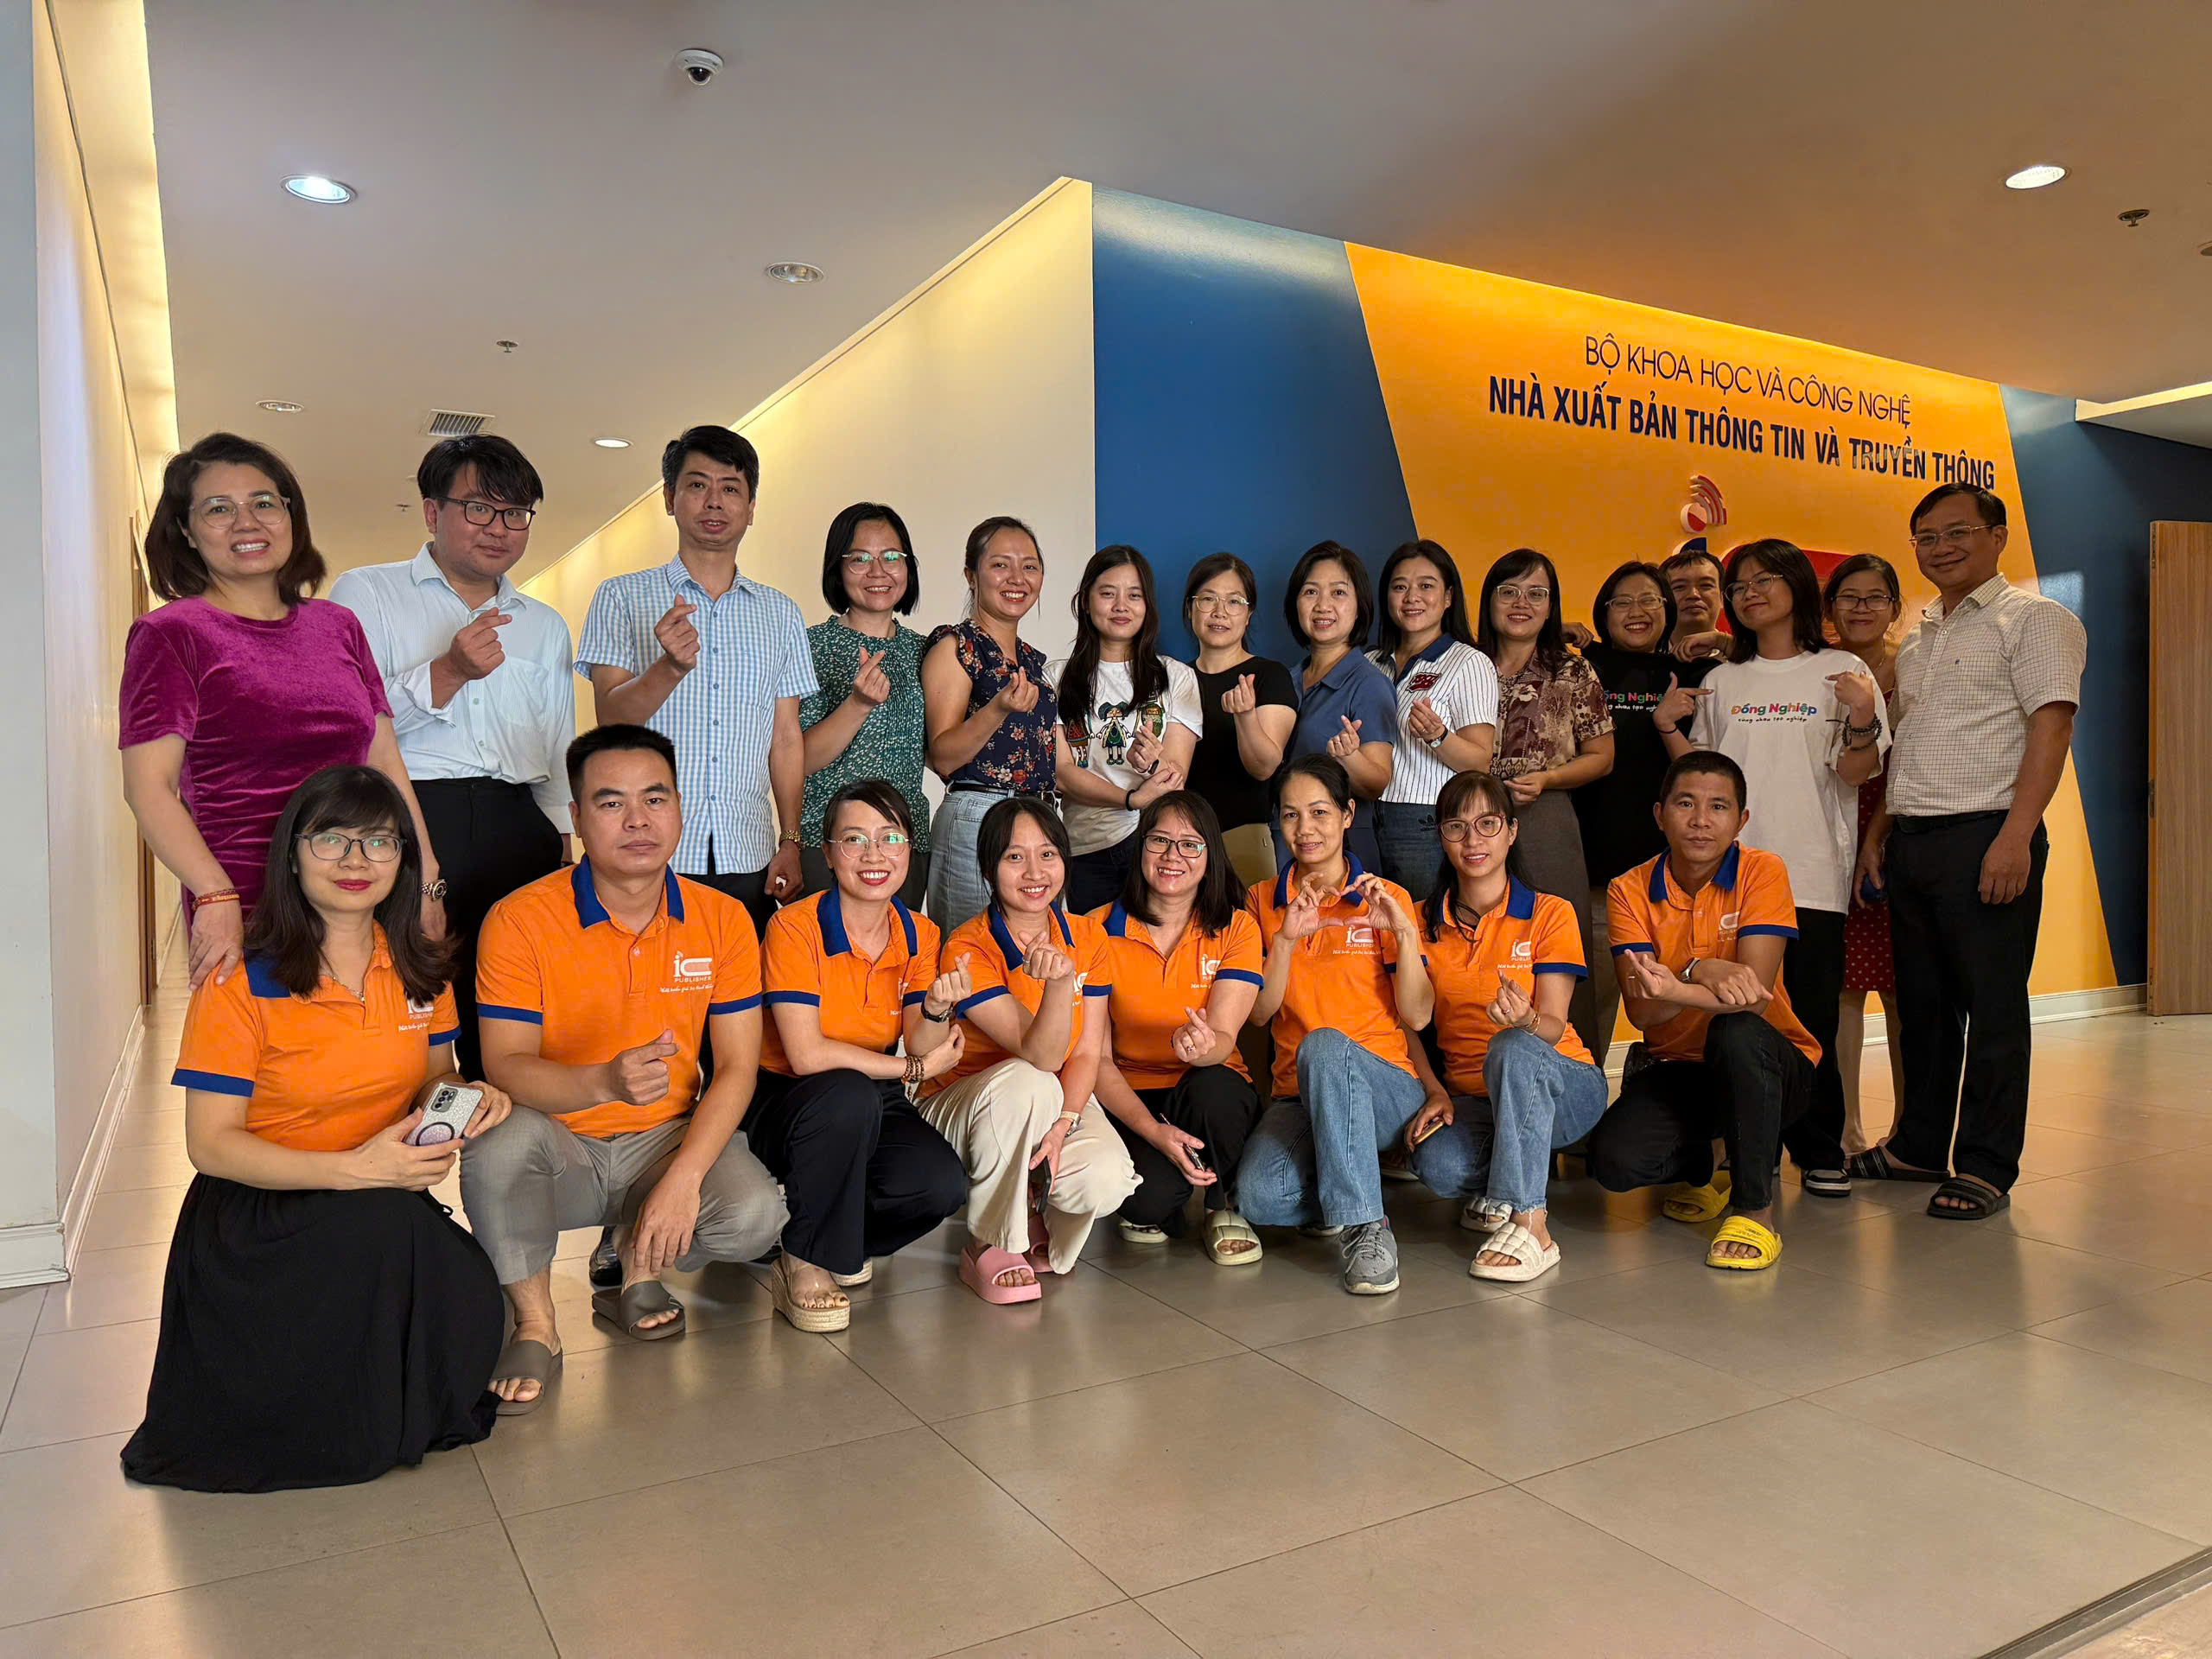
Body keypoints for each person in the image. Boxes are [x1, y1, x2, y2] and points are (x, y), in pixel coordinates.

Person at [123, 766, 506, 1491]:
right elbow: (209, 1145)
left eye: (379, 842)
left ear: (403, 859)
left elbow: (436, 1078)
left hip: (376, 1196)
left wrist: (470, 1096)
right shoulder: (240, 979)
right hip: (262, 1210)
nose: (356, 860)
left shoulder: (421, 968)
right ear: (292, 855)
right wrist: (354, 1170)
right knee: (390, 1239)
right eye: (331, 839)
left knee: (472, 1295)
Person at [464, 726, 798, 1411]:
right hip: (559, 1143)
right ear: (577, 817)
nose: (638, 820)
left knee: (754, 1216)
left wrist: (684, 1179)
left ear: (680, 809)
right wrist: (602, 1083)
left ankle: (636, 1270)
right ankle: (535, 1324)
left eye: (656, 798)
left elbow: (738, 1066)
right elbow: (504, 1065)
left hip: (662, 1138)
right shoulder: (520, 919)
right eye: (611, 803)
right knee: (494, 1145)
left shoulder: (723, 918)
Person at [120, 433, 445, 989]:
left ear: (291, 515)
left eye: (264, 502)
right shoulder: (170, 634)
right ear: (186, 532)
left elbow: (385, 763)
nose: (246, 522)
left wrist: (426, 880)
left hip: (364, 894)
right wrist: (213, 894)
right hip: (248, 902)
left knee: (377, 1040)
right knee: (266, 1044)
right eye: (218, 509)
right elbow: (149, 787)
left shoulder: (337, 626)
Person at [1852, 484, 2085, 1220]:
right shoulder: (1922, 636)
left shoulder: (2037, 620)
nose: (1940, 547)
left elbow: (2052, 727)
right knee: (1923, 1009)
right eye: (1925, 536)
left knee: (1992, 1008)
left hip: (1988, 835)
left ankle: (1986, 1163)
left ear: (1997, 535)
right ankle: (1919, 1145)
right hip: (1913, 840)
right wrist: (1879, 834)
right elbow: (1911, 744)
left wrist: (2016, 835)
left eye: (1957, 532)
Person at [329, 435, 573, 1080]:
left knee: (515, 1005)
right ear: (432, 512)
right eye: (479, 508)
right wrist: (448, 672)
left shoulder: (544, 624)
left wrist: (562, 841)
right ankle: (411, 1138)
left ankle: (506, 1133)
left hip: (517, 823)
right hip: (405, 816)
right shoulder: (367, 595)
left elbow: (555, 743)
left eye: (515, 513)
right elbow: (348, 727)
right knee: (406, 1001)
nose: (499, 528)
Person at [1659, 539, 1884, 1197]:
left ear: (1797, 587)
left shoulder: (1843, 671)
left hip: (1809, 870)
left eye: (1764, 580)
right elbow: (1702, 777)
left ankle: (1819, 1148)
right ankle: (1744, 1148)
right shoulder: (1726, 680)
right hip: (1728, 878)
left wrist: (1862, 716)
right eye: (1739, 586)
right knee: (1734, 1016)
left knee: (1810, 1018)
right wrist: (1669, 729)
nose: (1749, 594)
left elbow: (1857, 772)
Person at [1585, 752, 1822, 1272]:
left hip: (1772, 1068)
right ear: (1659, 814)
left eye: (1718, 807)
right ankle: (1717, 1152)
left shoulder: (1762, 871)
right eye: (1685, 804)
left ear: (1741, 820)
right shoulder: (1628, 890)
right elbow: (1643, 1013)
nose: (1700, 820)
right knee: (1613, 1164)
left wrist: (1679, 978)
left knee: (1736, 1031)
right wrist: (1701, 973)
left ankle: (1754, 1212)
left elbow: (1753, 997)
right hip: (1679, 1068)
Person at [575, 425, 815, 935]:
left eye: (731, 488)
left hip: (747, 850)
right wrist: (668, 668)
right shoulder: (621, 597)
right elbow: (610, 721)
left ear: (751, 507)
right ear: (670, 498)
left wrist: (790, 840)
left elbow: (786, 738)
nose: (714, 501)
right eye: (697, 485)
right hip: (647, 850)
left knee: (740, 983)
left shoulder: (781, 613)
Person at [755, 781, 971, 1326]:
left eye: (891, 838)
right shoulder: (794, 926)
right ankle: (805, 1259)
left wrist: (936, 1011)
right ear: (828, 854)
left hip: (868, 1091)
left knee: (940, 1185)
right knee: (848, 1094)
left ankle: (830, 1238)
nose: (875, 855)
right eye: (854, 840)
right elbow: (806, 1056)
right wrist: (914, 1069)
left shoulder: (920, 933)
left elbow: (921, 1039)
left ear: (909, 850)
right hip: (785, 1097)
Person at [922, 798, 1140, 1302]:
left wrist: (1063, 1125)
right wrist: (1061, 984)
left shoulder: (1088, 936)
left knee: (1106, 1177)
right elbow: (1041, 1055)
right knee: (1029, 1079)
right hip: (966, 1109)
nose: (1035, 873)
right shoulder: (967, 947)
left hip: (1053, 1099)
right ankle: (989, 1240)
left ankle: (1033, 1210)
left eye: (1047, 854)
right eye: (1014, 857)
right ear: (988, 868)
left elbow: (1086, 1055)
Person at [1236, 757, 1434, 1295]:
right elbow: (1258, 1014)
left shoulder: (1384, 897)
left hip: (1386, 1087)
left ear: (1348, 815)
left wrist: (1405, 934)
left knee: (1325, 1045)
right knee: (1259, 1197)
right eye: (1291, 815)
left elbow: (1418, 1016)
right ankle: (1352, 1172)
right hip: (1297, 1095)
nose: (1305, 829)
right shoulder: (1261, 902)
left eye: (1320, 812)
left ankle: (1367, 1226)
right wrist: (1284, 940)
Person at [1402, 772, 1606, 1282]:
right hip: (1475, 1098)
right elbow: (1405, 1024)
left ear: (1512, 832)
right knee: (1438, 1166)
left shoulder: (1549, 913)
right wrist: (1435, 1091)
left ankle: (1531, 1223)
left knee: (1512, 1046)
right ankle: (1504, 1186)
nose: (1473, 840)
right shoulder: (1419, 920)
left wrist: (1526, 1021)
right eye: (1457, 826)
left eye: (1488, 824)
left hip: (1564, 1084)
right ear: (1441, 837)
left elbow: (1554, 1025)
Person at [1089, 791, 1266, 1263]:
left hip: (1207, 1085)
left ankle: (1220, 1205)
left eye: (1190, 844)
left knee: (1216, 1092)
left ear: (1210, 857)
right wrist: (1152, 1132)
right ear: (1140, 847)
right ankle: (1168, 1189)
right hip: (1129, 1093)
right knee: (1147, 1203)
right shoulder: (1095, 929)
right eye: (1160, 841)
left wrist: (1203, 1047)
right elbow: (1096, 1060)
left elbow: (1224, 1038)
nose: (1173, 856)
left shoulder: (1237, 928)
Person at [1571, 560, 1717, 1065]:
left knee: (1677, 999)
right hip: (1596, 870)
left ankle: (1669, 1097)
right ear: (1603, 613)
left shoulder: (1693, 673)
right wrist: (1552, 631)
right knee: (1591, 1002)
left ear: (1668, 610)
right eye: (1623, 602)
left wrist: (1722, 641)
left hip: (1671, 878)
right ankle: (1585, 1099)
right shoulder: (1582, 667)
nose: (1637, 611)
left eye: (1650, 600)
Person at [1479, 548, 1614, 1061]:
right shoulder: (1465, 664)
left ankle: (1576, 1070)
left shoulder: (1572, 671)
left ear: (1552, 606)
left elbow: (1602, 756)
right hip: (1473, 819)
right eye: (1509, 591)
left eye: (1537, 594)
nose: (1522, 603)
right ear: (1488, 599)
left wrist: (1549, 778)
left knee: (1562, 943)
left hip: (1546, 816)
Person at [922, 517, 1058, 931]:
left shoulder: (1032, 660)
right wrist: (998, 709)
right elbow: (942, 756)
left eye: (1030, 566)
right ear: (971, 575)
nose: (1017, 578)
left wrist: (1131, 793)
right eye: (1001, 565)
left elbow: (1055, 763)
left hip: (1039, 820)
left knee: (1034, 958)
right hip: (978, 819)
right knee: (971, 955)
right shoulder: (957, 646)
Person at [796, 503, 933, 908]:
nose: (878, 572)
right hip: (829, 843)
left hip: (904, 842)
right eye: (859, 559)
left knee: (903, 947)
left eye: (891, 557)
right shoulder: (810, 646)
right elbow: (797, 758)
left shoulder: (926, 651)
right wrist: (857, 704)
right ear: (837, 568)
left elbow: (936, 753)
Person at [1050, 546, 1198, 912]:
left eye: (1134, 595)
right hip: (1084, 847)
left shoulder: (1176, 677)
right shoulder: (1055, 677)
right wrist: (1129, 799)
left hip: (1153, 844)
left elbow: (1175, 776)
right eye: (1107, 593)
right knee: (1095, 946)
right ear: (1086, 601)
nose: (1121, 606)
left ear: (1148, 606)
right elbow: (1062, 773)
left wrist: (1151, 764)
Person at [1825, 554, 1909, 1150]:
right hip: (1831, 831)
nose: (1861, 608)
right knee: (1843, 989)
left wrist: (1875, 839)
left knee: (1905, 990)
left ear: (1895, 607)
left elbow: (1908, 764)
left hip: (1898, 831)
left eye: (1875, 597)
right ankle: (1846, 1128)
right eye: (1848, 597)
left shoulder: (1915, 665)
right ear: (1829, 608)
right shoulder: (1818, 669)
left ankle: (1908, 1130)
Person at [1367, 540, 1498, 900]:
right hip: (1362, 815)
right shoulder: (1370, 662)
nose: (1412, 597)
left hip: (1424, 822)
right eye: (1400, 586)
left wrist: (1439, 735)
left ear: (1449, 597)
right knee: (1369, 923)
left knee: (1423, 922)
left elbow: (1480, 762)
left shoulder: (1468, 662)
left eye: (1426, 586)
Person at [1279, 542, 1398, 874]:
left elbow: (1377, 782)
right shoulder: (1284, 679)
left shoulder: (1369, 684)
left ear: (1360, 606)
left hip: (1343, 849)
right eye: (1311, 592)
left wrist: (1350, 758)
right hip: (1284, 838)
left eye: (1339, 593)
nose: (1323, 605)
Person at [1182, 553, 1298, 886]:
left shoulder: (1269, 675)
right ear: (1191, 608)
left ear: (1248, 615)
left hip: (1243, 837)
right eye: (1208, 599)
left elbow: (1264, 767)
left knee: (1249, 919)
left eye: (1234, 601)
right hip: (1179, 838)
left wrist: (1246, 716)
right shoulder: (1173, 678)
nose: (1220, 612)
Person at [1660, 547, 1730, 661]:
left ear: (1722, 598)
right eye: (1679, 587)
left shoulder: (1743, 659)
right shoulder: (1646, 660)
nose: (1693, 594)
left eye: (1706, 585)